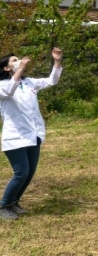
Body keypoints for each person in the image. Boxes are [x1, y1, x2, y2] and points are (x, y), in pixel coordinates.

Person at [0, 47, 63, 221]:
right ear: (6, 68)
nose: (18, 61)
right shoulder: (2, 85)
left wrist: (57, 62)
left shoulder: (28, 83)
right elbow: (8, 92)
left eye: (18, 59)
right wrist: (20, 69)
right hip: (14, 137)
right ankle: (3, 205)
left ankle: (14, 202)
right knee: (21, 172)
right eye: (13, 60)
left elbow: (52, 81)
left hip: (33, 134)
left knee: (29, 172)